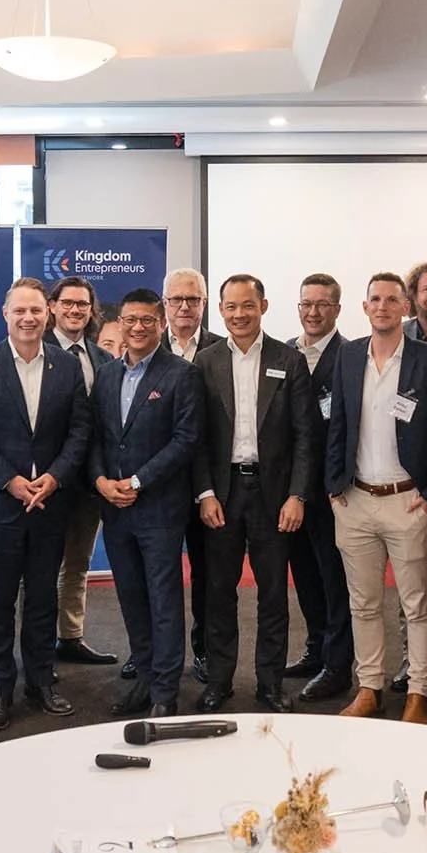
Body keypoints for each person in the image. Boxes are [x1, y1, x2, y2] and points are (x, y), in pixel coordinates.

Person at [0, 278, 93, 731]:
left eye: (36, 310)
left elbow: (80, 431)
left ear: (48, 313)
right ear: (5, 313)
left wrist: (54, 478)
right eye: (20, 311)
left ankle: (41, 681)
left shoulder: (67, 366)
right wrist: (11, 482)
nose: (29, 318)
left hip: (50, 504)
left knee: (41, 600)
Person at [325, 272, 427, 723]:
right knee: (362, 602)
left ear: (407, 308)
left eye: (391, 299)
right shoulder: (346, 356)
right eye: (374, 299)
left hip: (409, 501)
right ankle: (370, 687)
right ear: (364, 308)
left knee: (416, 602)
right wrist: (333, 487)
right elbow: (336, 423)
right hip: (355, 500)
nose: (382, 306)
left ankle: (420, 691)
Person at [192, 274, 314, 713]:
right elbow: (198, 438)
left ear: (263, 306)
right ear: (220, 310)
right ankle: (220, 681)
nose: (239, 315)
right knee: (219, 592)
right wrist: (204, 492)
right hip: (221, 495)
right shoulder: (204, 363)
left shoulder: (289, 359)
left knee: (273, 596)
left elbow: (305, 436)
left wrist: (298, 495)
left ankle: (270, 684)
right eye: (230, 307)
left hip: (274, 496)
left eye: (247, 305)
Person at [89, 288, 203, 720]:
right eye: (131, 320)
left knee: (163, 600)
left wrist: (138, 480)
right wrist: (101, 481)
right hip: (115, 508)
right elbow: (97, 435)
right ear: (120, 324)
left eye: (147, 321)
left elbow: (185, 440)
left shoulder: (181, 374)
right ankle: (144, 677)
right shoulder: (106, 375)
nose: (138, 328)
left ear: (162, 323)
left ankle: (165, 691)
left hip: (159, 509)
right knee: (132, 597)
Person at [288, 273, 353, 702]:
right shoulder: (286, 354)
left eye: (322, 304)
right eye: (306, 304)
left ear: (337, 309)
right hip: (292, 490)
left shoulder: (351, 356)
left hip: (331, 492)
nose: (313, 312)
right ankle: (314, 649)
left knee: (335, 581)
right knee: (305, 576)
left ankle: (337, 665)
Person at [47, 276, 118, 666]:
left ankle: (70, 636)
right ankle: (38, 642)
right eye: (68, 303)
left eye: (83, 304)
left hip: (89, 482)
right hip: (48, 480)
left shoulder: (102, 358)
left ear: (91, 311)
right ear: (53, 306)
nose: (75, 310)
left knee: (77, 562)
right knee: (41, 566)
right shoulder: (34, 351)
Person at [163, 267, 222, 683]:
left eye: (194, 299)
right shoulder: (145, 348)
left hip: (209, 488)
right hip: (158, 487)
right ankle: (152, 652)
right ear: (164, 304)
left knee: (207, 575)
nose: (185, 306)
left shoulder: (222, 351)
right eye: (176, 299)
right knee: (159, 575)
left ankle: (204, 651)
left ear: (204, 304)